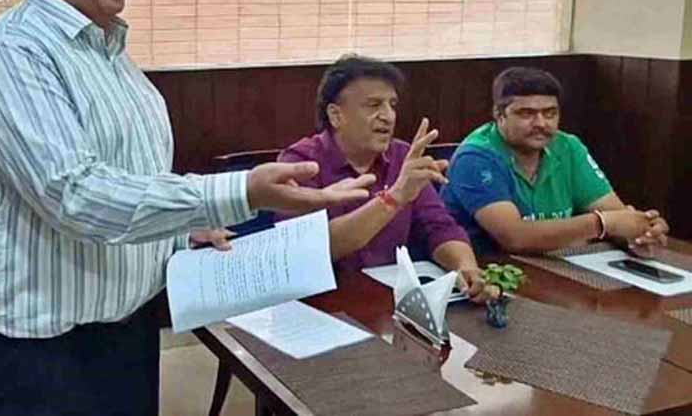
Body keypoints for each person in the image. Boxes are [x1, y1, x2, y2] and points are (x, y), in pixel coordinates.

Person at [0, 0, 372, 416]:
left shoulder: (110, 55)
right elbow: (73, 195)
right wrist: (240, 192)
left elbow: (130, 182)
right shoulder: (10, 53)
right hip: (35, 356)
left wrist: (177, 232)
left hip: (127, 337)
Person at [278, 56, 493, 302]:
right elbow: (306, 249)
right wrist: (394, 197)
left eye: (392, 105)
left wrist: (465, 267)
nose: (388, 116)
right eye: (373, 105)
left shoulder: (403, 156)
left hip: (389, 301)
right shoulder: (300, 163)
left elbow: (439, 228)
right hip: (320, 304)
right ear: (336, 115)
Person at [441, 67, 669, 255]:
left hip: (558, 267)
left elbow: (614, 214)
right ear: (500, 115)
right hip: (487, 274)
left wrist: (640, 233)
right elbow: (515, 238)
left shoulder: (568, 147)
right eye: (527, 114)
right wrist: (602, 223)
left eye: (550, 113)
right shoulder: (474, 157)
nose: (541, 123)